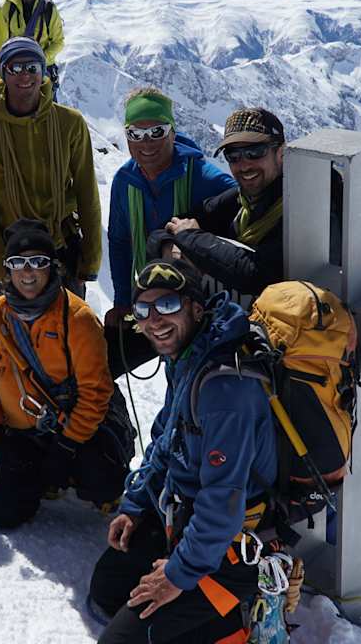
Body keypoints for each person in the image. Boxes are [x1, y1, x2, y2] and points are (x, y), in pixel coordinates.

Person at [89, 258, 277, 643]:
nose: (154, 320)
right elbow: (165, 438)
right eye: (143, 310)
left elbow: (223, 501)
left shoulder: (224, 388)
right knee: (108, 589)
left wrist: (176, 575)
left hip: (233, 546)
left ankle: (236, 617)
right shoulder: (189, 358)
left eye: (168, 305)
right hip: (187, 517)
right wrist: (136, 504)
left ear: (195, 307)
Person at [0, 219, 133, 529]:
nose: (28, 271)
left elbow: (95, 392)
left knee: (105, 482)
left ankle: (72, 469)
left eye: (38, 262)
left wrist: (66, 447)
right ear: (7, 269)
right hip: (22, 432)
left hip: (72, 426)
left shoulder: (78, 318)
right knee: (3, 516)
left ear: (51, 267)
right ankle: (43, 474)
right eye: (18, 262)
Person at [104, 87, 234, 377]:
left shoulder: (200, 175)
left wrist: (198, 227)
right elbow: (120, 242)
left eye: (157, 132)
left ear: (173, 132)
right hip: (149, 303)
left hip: (195, 308)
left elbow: (241, 202)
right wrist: (123, 302)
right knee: (99, 367)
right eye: (136, 133)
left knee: (191, 377)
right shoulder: (124, 182)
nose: (146, 142)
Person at [0, 36, 101, 297]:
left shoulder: (69, 123)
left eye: (32, 68)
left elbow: (87, 193)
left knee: (68, 332)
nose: (24, 75)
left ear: (43, 72)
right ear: (3, 73)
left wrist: (90, 261)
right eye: (15, 68)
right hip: (11, 255)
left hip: (62, 248)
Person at [150, 107, 287, 303]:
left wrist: (191, 240)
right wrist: (170, 246)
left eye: (255, 152)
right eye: (233, 155)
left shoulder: (303, 207)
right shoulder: (240, 201)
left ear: (280, 153)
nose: (244, 164)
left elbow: (258, 273)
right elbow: (162, 229)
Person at [1, 0, 64, 91]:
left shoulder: (49, 9)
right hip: (14, 65)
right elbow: (0, 36)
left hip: (41, 66)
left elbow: (58, 42)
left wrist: (42, 59)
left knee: (46, 106)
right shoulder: (9, 5)